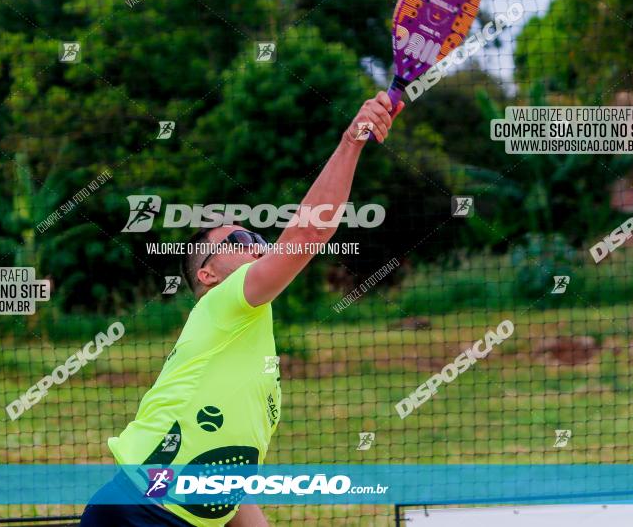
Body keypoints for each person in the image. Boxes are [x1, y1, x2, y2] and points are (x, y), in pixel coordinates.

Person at [80, 92, 404, 527]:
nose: (255, 243)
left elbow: (226, 480)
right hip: (141, 507)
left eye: (255, 235)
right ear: (209, 275)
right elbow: (307, 234)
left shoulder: (248, 343)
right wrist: (351, 139)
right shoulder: (224, 300)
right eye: (237, 240)